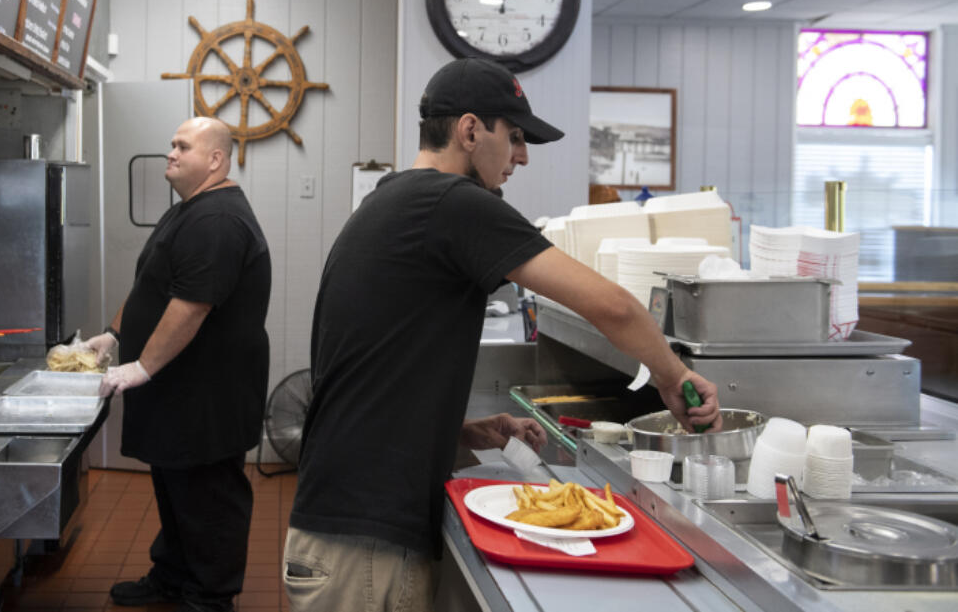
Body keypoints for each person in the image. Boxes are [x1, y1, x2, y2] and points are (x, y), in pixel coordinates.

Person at [283, 57, 722, 611]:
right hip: (364, 541)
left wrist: (463, 431)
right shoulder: (453, 203)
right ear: (469, 131)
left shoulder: (394, 199)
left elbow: (367, 375)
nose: (522, 155)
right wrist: (674, 377)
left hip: (344, 520)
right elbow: (611, 306)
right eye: (513, 136)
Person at [82, 116, 271, 612]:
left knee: (209, 499)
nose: (170, 152)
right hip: (179, 393)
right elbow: (152, 285)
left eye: (182, 146)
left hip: (208, 396)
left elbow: (191, 308)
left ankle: (210, 596)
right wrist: (115, 334)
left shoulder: (219, 221)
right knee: (175, 490)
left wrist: (141, 367)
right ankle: (172, 576)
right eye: (171, 144)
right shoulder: (188, 210)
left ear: (215, 159)